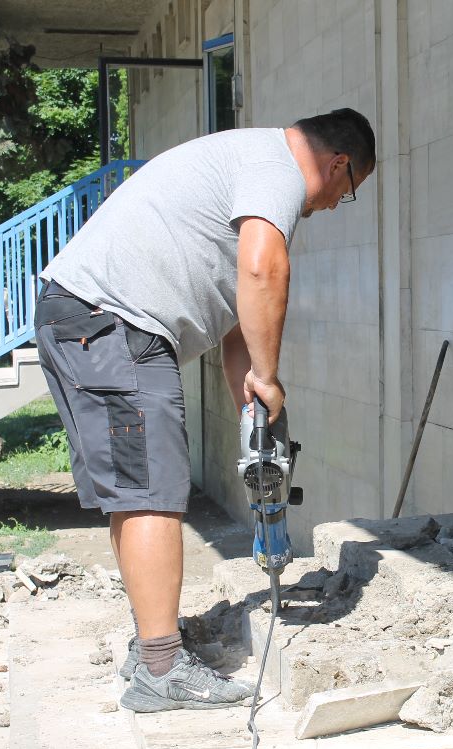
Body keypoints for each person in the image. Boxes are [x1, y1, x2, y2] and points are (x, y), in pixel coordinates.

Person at [33, 109, 376, 713]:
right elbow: (263, 269)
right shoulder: (278, 171)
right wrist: (268, 378)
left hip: (92, 321)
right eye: (346, 192)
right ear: (337, 164)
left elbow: (240, 326)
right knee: (153, 494)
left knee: (138, 493)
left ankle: (152, 649)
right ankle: (162, 671)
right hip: (113, 326)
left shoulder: (251, 165)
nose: (331, 206)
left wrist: (255, 409)